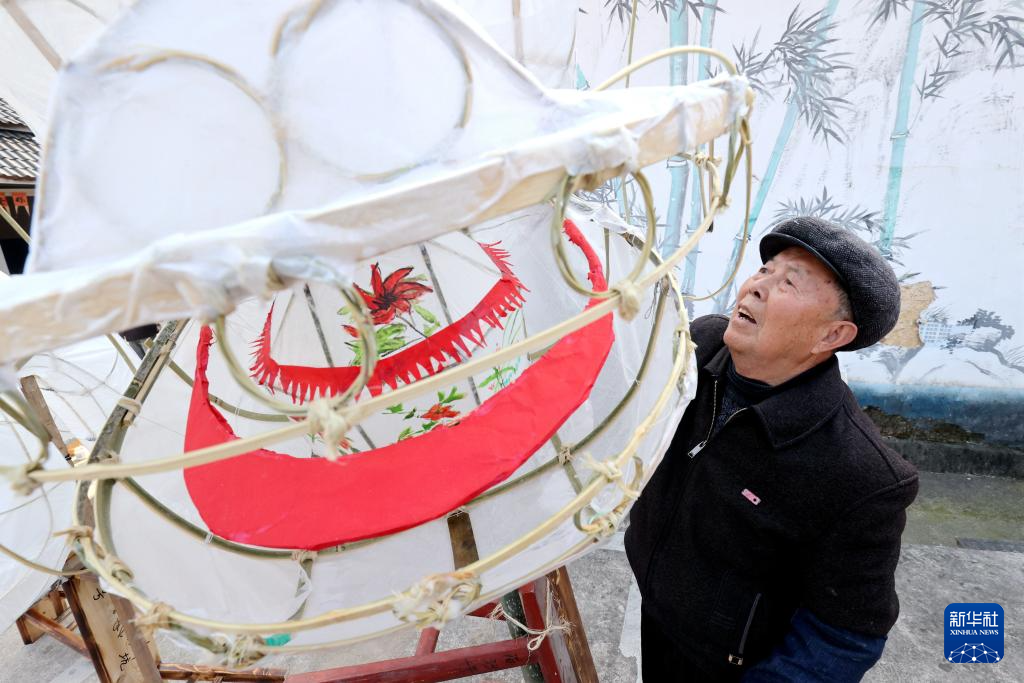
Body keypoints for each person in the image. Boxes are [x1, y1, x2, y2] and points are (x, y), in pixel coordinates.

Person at [625, 216, 919, 681]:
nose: (756, 287)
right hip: (657, 608)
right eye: (765, 270)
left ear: (832, 335)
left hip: (730, 664)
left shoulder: (861, 475)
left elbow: (844, 637)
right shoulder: (700, 344)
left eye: (789, 283)